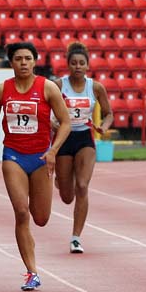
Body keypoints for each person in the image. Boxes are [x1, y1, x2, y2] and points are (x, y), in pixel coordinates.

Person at [0, 42, 70, 291]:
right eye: (18, 58)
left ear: (35, 61)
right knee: (21, 212)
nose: (23, 63)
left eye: (28, 58)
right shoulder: (0, 90)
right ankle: (32, 272)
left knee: (40, 218)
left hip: (41, 158)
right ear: (11, 62)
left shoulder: (48, 88)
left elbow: (65, 122)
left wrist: (53, 150)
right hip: (14, 156)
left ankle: (31, 253)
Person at [53, 42, 113, 254]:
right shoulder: (59, 85)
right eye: (74, 63)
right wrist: (54, 123)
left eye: (81, 63)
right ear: (68, 65)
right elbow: (45, 111)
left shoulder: (95, 87)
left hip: (85, 138)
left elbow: (108, 113)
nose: (78, 66)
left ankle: (76, 238)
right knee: (67, 196)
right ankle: (60, 180)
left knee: (82, 186)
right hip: (63, 138)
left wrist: (104, 128)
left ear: (87, 66)